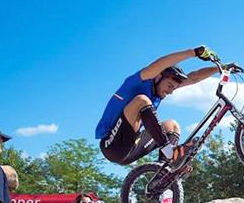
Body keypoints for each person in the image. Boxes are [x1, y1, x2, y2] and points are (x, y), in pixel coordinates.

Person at [95, 46, 223, 167]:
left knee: (172, 125)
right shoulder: (137, 82)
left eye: (173, 88)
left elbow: (194, 77)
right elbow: (161, 63)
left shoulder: (159, 92)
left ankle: (164, 172)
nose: (171, 92)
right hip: (112, 146)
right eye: (169, 86)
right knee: (141, 100)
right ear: (158, 77)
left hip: (132, 148)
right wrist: (194, 52)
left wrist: (220, 68)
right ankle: (169, 152)